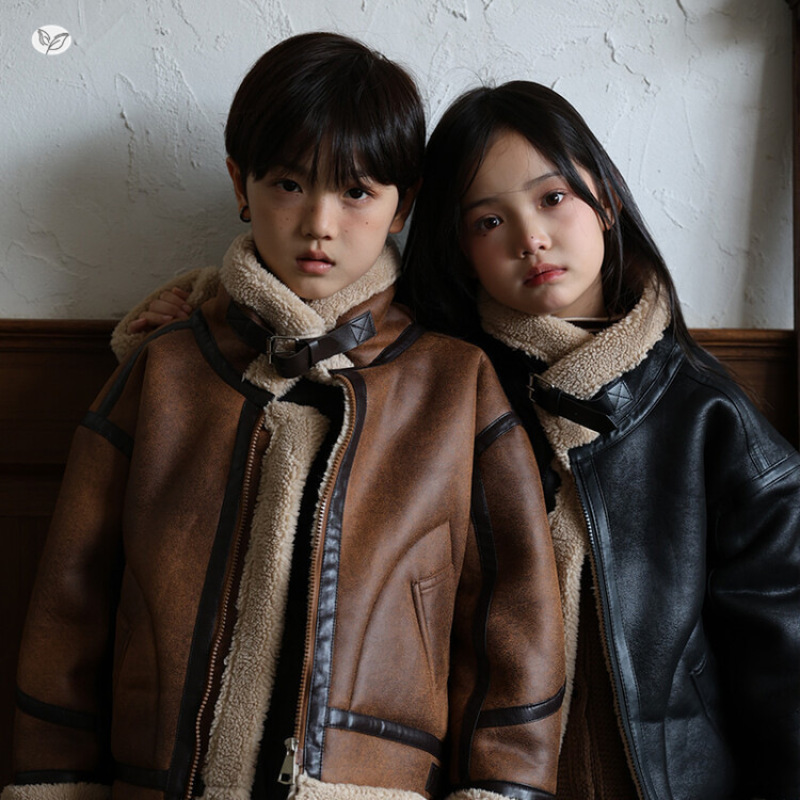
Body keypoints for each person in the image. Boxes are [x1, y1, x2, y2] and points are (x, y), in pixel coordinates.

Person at [3, 40, 566, 800]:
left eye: (357, 191)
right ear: (241, 184)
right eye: (289, 184)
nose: (319, 223)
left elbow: (515, 626)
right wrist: (51, 782)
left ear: (404, 203)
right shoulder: (164, 370)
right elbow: (69, 606)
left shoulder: (456, 386)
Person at [399, 80, 800, 799]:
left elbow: (783, 666)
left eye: (553, 198)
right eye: (489, 221)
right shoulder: (445, 390)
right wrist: (208, 296)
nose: (531, 239)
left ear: (606, 200)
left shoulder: (708, 416)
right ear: (460, 250)